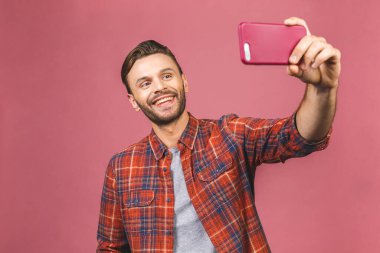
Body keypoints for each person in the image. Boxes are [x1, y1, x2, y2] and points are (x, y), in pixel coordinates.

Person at [96, 17, 341, 253]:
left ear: (184, 82)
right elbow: (110, 248)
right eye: (145, 83)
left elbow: (298, 137)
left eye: (167, 76)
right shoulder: (121, 168)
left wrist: (322, 88)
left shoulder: (228, 136)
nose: (160, 87)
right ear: (133, 101)